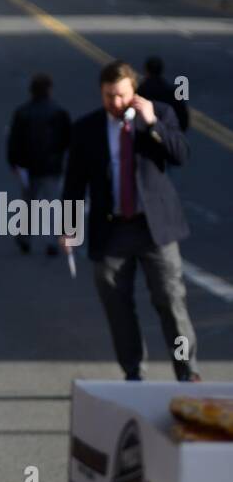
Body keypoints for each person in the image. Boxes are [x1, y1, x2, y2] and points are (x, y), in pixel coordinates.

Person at [61, 60, 201, 382]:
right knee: (118, 307)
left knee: (170, 301)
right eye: (109, 96)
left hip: (154, 228)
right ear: (101, 93)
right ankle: (133, 372)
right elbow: (74, 184)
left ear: (134, 91)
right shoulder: (86, 129)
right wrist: (68, 228)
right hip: (112, 231)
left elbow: (181, 154)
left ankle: (187, 369)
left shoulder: (158, 115)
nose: (116, 103)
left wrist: (152, 124)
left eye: (122, 95)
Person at [6, 72, 72, 255]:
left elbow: (14, 140)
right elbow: (67, 138)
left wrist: (14, 162)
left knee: (28, 203)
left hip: (29, 166)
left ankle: (24, 237)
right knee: (52, 204)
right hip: (51, 166)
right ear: (49, 90)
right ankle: (52, 241)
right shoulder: (59, 112)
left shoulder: (23, 112)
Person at [138, 56, 190, 133]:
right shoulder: (171, 92)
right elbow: (183, 118)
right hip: (168, 133)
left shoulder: (140, 91)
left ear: (146, 70)